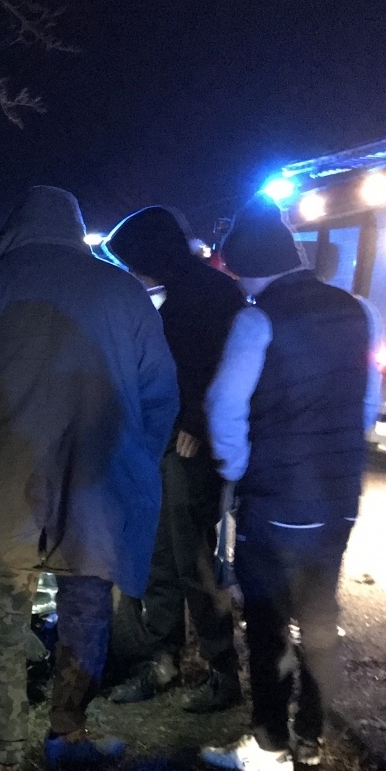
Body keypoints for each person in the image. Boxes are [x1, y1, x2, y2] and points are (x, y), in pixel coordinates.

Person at [0, 186, 179, 771]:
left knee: (4, 622)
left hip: (0, 483)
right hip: (95, 482)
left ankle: (4, 759)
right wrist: (131, 459)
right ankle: (68, 732)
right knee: (86, 609)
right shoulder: (124, 292)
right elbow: (159, 394)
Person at [199, 196, 382, 771]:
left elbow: (223, 403)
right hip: (339, 496)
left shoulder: (258, 319)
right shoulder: (358, 310)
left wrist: (235, 468)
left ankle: (270, 744)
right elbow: (369, 405)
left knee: (269, 621)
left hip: (277, 500)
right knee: (321, 613)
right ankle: (311, 736)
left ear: (248, 265)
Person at [101, 206, 245, 712]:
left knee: (194, 560)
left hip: (189, 451)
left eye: (131, 261)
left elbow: (230, 371)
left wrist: (198, 425)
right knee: (159, 555)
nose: (128, 272)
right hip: (156, 447)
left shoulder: (213, 295)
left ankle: (222, 670)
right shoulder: (168, 295)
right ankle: (162, 659)